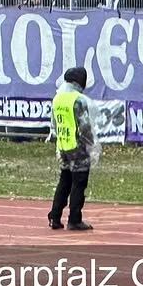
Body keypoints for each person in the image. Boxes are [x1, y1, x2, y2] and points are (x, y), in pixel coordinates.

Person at [47, 67, 97, 231]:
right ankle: (74, 219)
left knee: (64, 181)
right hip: (78, 147)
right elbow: (85, 127)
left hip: (63, 145)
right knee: (79, 183)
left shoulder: (57, 98)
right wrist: (92, 146)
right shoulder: (78, 100)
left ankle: (54, 216)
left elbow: (54, 124)